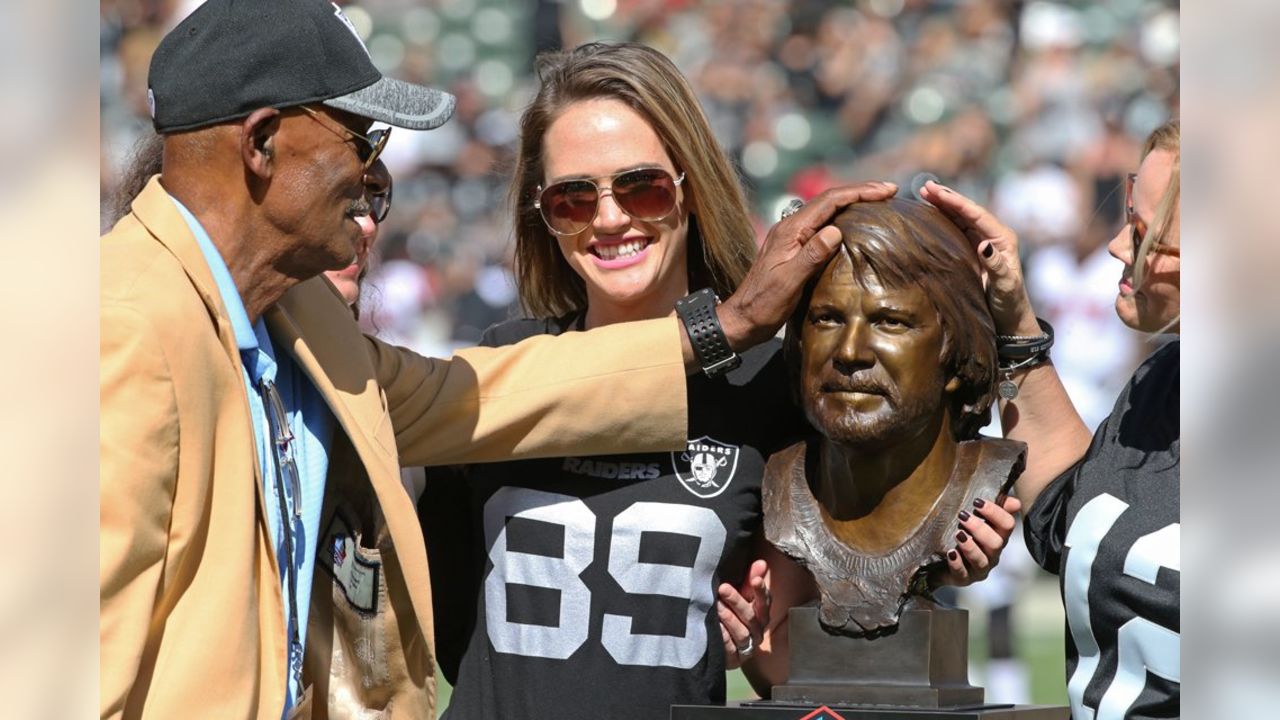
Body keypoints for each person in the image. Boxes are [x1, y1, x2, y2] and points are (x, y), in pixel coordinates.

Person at [99, 4, 880, 719]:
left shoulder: (299, 319)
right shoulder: (124, 325)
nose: (374, 177)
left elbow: (476, 398)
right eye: (359, 140)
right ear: (263, 142)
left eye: (640, 188)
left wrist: (725, 328)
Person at [418, 43, 1014, 719]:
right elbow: (451, 637)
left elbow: (779, 661)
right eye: (573, 199)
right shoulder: (500, 368)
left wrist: (916, 584)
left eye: (641, 187)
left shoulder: (768, 391)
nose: (610, 219)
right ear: (543, 216)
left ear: (690, 186)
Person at [918, 118, 1180, 718]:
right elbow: (1070, 508)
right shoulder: (1163, 381)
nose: (1119, 246)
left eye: (1143, 233)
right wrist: (1009, 312)